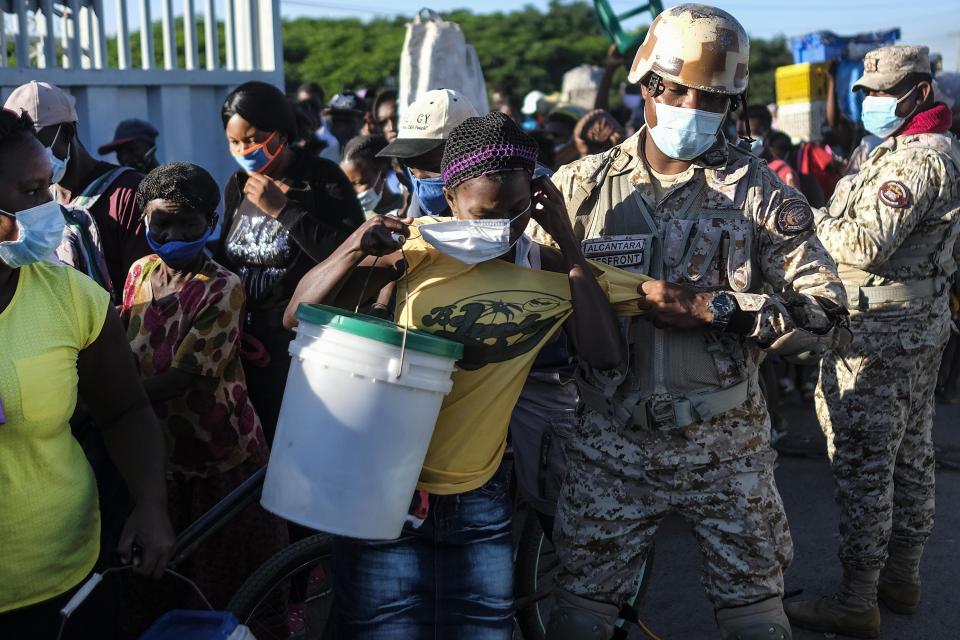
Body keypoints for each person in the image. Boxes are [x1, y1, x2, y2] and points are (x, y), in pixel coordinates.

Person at [535, 6, 848, 639]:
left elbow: (828, 317)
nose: (690, 107)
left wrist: (718, 309)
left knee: (756, 621)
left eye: (712, 98)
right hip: (609, 447)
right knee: (578, 619)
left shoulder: (762, 197)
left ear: (733, 104)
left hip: (728, 450)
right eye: (674, 89)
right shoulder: (582, 188)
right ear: (644, 83)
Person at [284, 111, 649, 639]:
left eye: (518, 212)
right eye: (485, 214)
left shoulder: (542, 268)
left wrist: (567, 241)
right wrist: (352, 248)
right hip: (385, 487)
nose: (502, 228)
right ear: (450, 196)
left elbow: (604, 353)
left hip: (479, 496)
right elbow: (298, 316)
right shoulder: (410, 251)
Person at [786, 45, 960, 639]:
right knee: (910, 459)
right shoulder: (896, 150)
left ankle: (858, 601)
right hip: (911, 328)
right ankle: (902, 581)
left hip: (879, 339)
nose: (875, 100)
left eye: (888, 91)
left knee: (866, 468)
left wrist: (798, 220)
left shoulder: (916, 160)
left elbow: (862, 247)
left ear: (921, 92)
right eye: (869, 91)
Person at [0, 107, 174, 638]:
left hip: (62, 581)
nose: (48, 207)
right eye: (31, 192)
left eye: (49, 187)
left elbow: (124, 411)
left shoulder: (72, 298)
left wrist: (150, 503)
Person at [118, 163, 287, 632]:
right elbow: (122, 338)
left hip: (221, 457)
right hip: (161, 459)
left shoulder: (221, 287)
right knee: (162, 583)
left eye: (186, 222)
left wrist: (110, 403)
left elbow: (183, 378)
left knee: (231, 585)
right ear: (145, 223)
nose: (172, 233)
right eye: (162, 223)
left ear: (210, 223)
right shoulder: (139, 272)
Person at [215, 80, 365, 440]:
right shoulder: (239, 183)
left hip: (303, 348)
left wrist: (285, 212)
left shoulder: (322, 180)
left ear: (281, 133)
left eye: (252, 139)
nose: (243, 150)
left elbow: (353, 254)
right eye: (234, 142)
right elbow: (227, 258)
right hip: (245, 345)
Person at [4, 81, 150, 295]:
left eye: (36, 143)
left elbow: (145, 294)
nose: (29, 155)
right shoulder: (37, 202)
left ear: (67, 133)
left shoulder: (127, 193)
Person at [377, 88, 480, 218]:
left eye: (431, 165)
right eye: (411, 167)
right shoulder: (421, 199)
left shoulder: (497, 200)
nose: (419, 178)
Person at [340, 135, 404, 218]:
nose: (353, 191)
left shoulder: (408, 210)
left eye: (361, 182)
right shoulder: (349, 218)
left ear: (382, 172)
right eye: (348, 184)